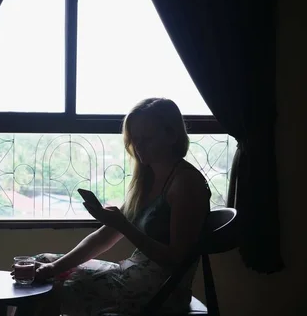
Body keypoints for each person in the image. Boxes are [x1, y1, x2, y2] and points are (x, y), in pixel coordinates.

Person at [13, 98, 211, 316]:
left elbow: (177, 260)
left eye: (147, 138)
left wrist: (125, 226)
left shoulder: (186, 183)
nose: (138, 146)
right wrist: (54, 266)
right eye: (135, 139)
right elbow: (103, 237)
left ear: (172, 136)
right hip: (130, 274)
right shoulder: (147, 180)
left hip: (162, 290)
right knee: (39, 264)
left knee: (51, 286)